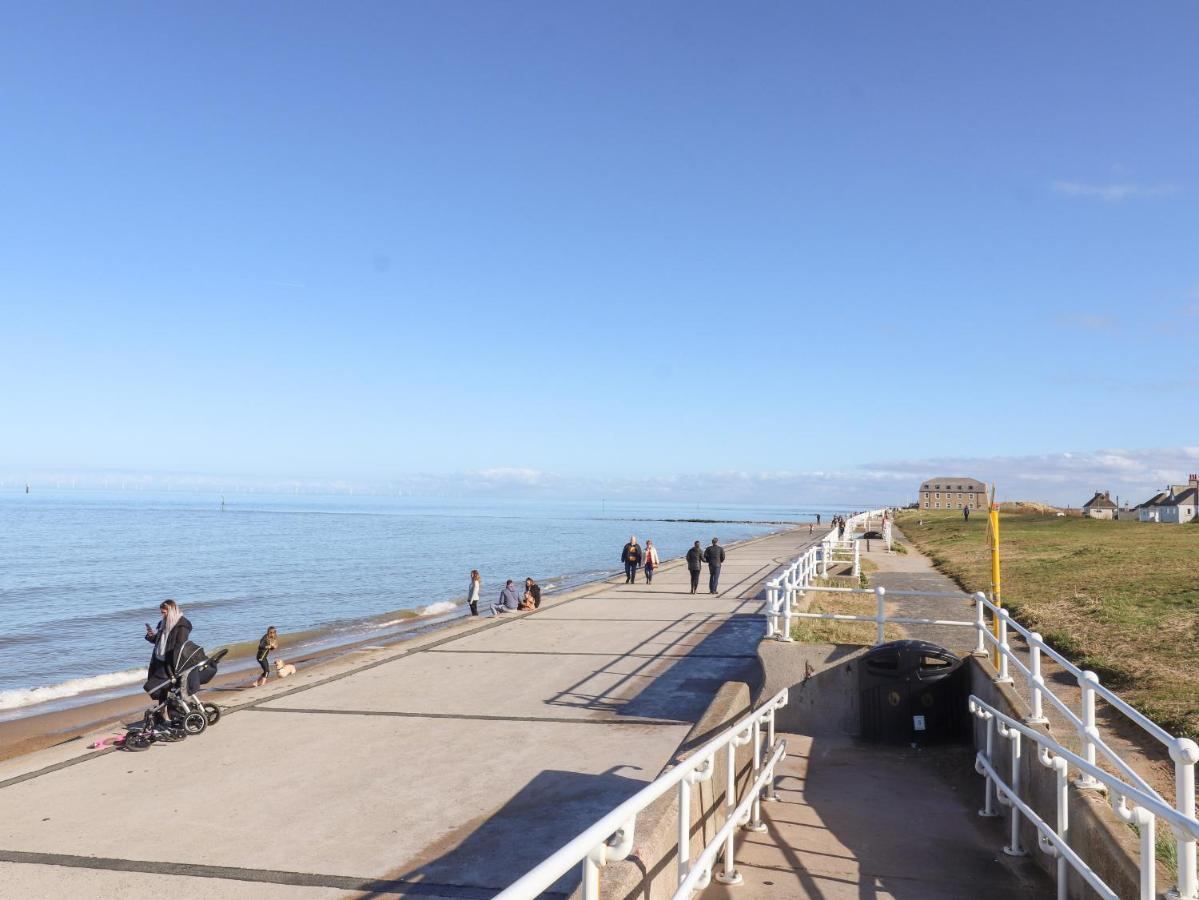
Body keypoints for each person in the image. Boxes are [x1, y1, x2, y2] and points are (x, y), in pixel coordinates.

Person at [143, 599, 193, 701]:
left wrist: (175, 664)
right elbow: (158, 640)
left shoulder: (182, 625)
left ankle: (175, 710)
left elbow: (180, 645)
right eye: (161, 613)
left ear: (171, 610)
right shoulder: (162, 623)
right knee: (160, 689)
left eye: (164, 612)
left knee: (170, 687)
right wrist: (150, 636)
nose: (163, 615)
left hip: (170, 663)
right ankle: (162, 712)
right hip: (158, 660)